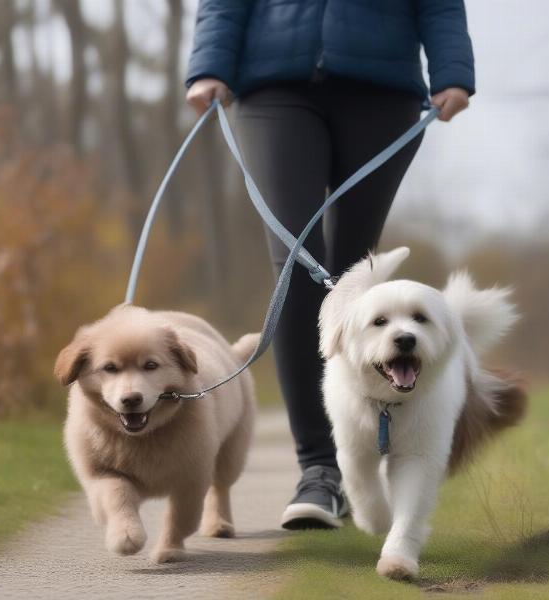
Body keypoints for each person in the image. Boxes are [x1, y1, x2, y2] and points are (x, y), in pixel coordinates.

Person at [185, 0, 474, 530]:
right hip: (273, 82)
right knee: (298, 265)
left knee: (353, 279)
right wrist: (209, 64)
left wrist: (453, 69)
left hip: (382, 87)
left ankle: (374, 440)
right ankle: (319, 469)